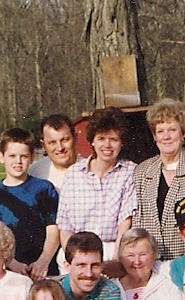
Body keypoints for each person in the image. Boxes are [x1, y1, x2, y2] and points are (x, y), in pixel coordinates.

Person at [132, 98, 185, 261]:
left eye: (172, 130)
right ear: (154, 136)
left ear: (184, 133)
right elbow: (139, 220)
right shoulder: (142, 171)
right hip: (151, 261)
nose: (166, 137)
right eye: (160, 131)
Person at [56, 107, 136, 263]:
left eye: (113, 139)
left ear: (122, 143)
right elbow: (65, 226)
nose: (107, 145)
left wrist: (116, 260)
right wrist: (72, 259)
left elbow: (125, 222)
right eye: (101, 139)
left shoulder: (130, 172)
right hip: (75, 250)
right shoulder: (73, 174)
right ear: (92, 141)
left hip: (112, 250)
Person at [0, 128, 60, 280]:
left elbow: (53, 229)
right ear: (1, 157)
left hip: (43, 270)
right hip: (8, 271)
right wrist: (11, 262)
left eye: (23, 156)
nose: (18, 161)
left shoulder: (44, 189)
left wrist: (43, 261)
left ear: (32, 158)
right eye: (12, 156)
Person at [18, 231, 120, 300]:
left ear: (102, 266)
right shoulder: (48, 290)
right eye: (81, 265)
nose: (89, 274)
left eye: (95, 265)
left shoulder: (109, 291)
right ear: (67, 266)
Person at [30, 114, 82, 191]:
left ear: (75, 138)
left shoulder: (89, 170)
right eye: (52, 142)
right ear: (43, 145)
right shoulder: (33, 172)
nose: (60, 148)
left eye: (64, 140)